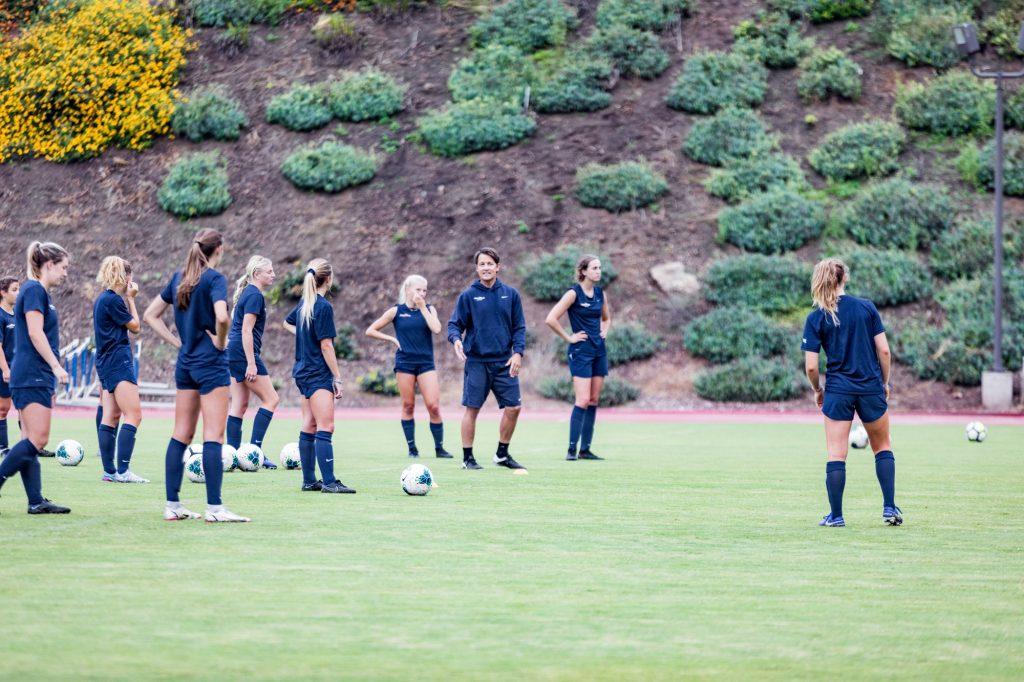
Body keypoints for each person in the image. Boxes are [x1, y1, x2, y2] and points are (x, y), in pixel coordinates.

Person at [144, 229, 250, 522]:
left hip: (186, 364)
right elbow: (223, 316)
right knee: (214, 434)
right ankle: (215, 509)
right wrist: (220, 340)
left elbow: (150, 315)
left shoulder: (179, 278)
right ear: (219, 249)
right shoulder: (215, 279)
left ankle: (173, 506)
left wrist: (177, 342)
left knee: (181, 433)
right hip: (211, 364)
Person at [801, 257, 901, 528]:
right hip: (870, 387)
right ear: (844, 278)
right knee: (883, 447)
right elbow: (884, 351)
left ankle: (836, 516)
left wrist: (817, 389)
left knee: (836, 453)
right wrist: (885, 382)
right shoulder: (866, 308)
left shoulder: (816, 317)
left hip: (838, 391)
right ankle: (890, 508)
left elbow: (811, 366)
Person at [0, 242, 71, 514]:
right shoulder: (33, 290)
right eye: (63, 267)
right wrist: (55, 366)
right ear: (49, 265)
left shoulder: (39, 292)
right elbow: (34, 332)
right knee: (38, 440)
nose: (66, 273)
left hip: (32, 373)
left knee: (28, 438)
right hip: (32, 373)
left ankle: (36, 500)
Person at [446, 247, 527, 471]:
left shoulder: (511, 295)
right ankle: (467, 458)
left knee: (514, 407)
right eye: (482, 264)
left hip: (504, 362)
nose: (486, 268)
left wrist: (518, 353)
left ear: (497, 267)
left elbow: (519, 327)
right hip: (477, 362)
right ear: (477, 268)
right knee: (472, 409)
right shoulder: (468, 296)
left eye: (490, 264)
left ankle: (502, 454)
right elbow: (454, 325)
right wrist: (456, 340)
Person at [283, 259, 355, 494]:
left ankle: (309, 480)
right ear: (329, 279)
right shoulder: (323, 307)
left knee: (309, 424)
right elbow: (326, 345)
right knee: (326, 426)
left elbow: (287, 323)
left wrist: (305, 336)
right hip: (316, 372)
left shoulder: (306, 303)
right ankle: (330, 482)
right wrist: (337, 377)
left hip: (302, 372)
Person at [365, 274, 451, 459]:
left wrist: (422, 307)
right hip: (404, 364)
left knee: (433, 406)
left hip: (426, 364)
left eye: (424, 290)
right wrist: (390, 338)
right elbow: (370, 330)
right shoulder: (396, 311)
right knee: (408, 406)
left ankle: (439, 448)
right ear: (407, 290)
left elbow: (436, 329)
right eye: (418, 289)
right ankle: (412, 449)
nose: (422, 293)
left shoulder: (429, 309)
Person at [544, 255, 611, 461]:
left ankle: (585, 450)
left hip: (599, 351)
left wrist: (604, 331)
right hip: (580, 352)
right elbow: (551, 319)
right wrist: (569, 338)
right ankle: (571, 450)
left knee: (593, 400)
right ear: (583, 271)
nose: (598, 271)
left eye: (600, 267)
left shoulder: (601, 294)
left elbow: (606, 318)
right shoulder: (573, 293)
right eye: (594, 268)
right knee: (582, 400)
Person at [93, 256, 147, 484]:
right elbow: (136, 327)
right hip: (118, 359)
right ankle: (123, 472)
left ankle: (109, 472)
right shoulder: (114, 300)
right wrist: (131, 299)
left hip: (105, 361)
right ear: (124, 276)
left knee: (111, 415)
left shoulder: (101, 299)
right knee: (134, 415)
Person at [225, 255, 279, 468]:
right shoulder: (255, 295)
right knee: (271, 399)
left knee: (239, 405)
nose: (273, 274)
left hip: (234, 351)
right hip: (242, 353)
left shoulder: (249, 292)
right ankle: (256, 452)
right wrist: (251, 363)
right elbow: (246, 330)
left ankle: (232, 455)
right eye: (269, 271)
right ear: (257, 274)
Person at [0, 277, 19, 458]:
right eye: (14, 289)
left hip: (20, 369)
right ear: (3, 293)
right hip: (5, 369)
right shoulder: (0, 315)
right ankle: (2, 447)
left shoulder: (17, 314)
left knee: (25, 407)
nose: (18, 293)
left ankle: (30, 445)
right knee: (3, 408)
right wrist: (5, 369)